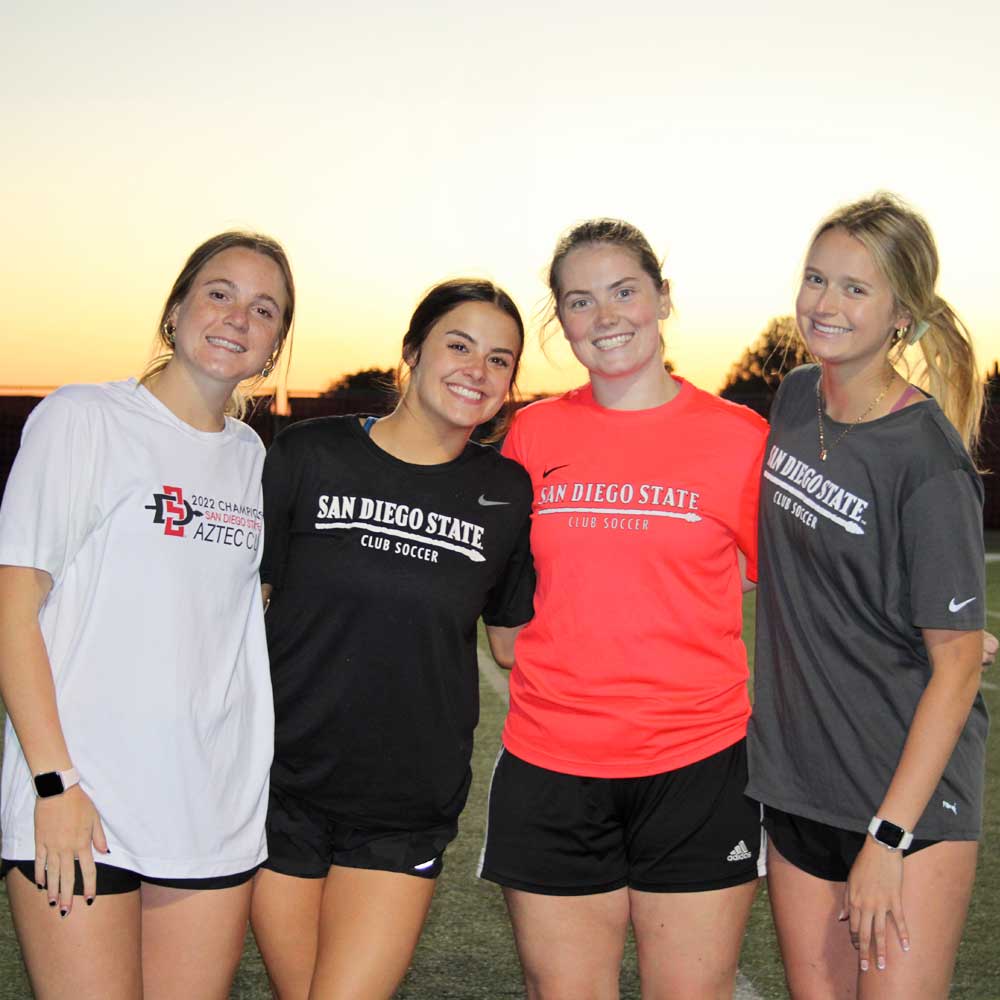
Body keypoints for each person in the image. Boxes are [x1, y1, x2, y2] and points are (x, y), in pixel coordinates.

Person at [478, 219, 769, 999]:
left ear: (662, 299)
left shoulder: (740, 438)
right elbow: (499, 595)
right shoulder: (533, 434)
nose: (605, 317)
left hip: (699, 766)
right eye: (580, 301)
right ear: (560, 322)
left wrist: (917, 623)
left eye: (624, 292)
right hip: (552, 764)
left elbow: (799, 581)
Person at [0, 231, 295, 999]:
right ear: (175, 311)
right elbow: (12, 607)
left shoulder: (253, 460)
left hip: (209, 813)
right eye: (219, 293)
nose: (237, 316)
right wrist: (53, 785)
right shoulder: (83, 419)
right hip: (83, 803)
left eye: (263, 309)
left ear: (273, 347)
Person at [249, 278, 536, 999]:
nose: (478, 369)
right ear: (411, 351)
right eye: (459, 345)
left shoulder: (505, 492)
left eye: (500, 359)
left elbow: (512, 640)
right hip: (277, 783)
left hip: (404, 802)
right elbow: (242, 603)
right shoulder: (309, 454)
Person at [746, 193, 987, 998]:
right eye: (817, 279)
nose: (825, 303)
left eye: (856, 288)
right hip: (798, 781)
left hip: (901, 801)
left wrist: (888, 838)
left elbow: (954, 672)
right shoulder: (793, 398)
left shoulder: (927, 459)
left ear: (902, 316)